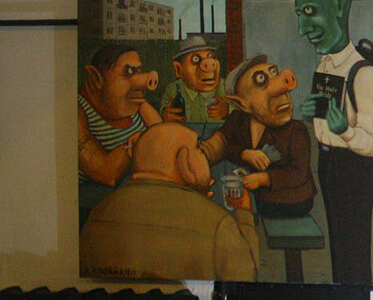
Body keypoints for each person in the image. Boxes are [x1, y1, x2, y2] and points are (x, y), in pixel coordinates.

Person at [80, 122, 259, 281]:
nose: (205, 157)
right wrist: (244, 216)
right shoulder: (219, 223)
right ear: (185, 163)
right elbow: (246, 278)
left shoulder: (100, 211)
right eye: (199, 149)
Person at [295, 0, 373, 284]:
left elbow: (370, 144)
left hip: (353, 168)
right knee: (338, 245)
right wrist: (313, 114)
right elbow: (326, 113)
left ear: (339, 4)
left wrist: (344, 129)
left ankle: (356, 298)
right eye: (299, 14)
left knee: (354, 249)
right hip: (329, 163)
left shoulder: (364, 73)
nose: (302, 28)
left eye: (310, 11)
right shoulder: (326, 64)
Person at [199, 53, 315, 218]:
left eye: (274, 73)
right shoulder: (238, 120)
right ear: (241, 104)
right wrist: (244, 154)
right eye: (261, 80)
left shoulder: (296, 131)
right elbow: (225, 146)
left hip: (292, 202)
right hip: (258, 199)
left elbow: (298, 174)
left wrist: (264, 179)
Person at [77, 44, 162, 228]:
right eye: (128, 72)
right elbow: (106, 173)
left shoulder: (134, 101)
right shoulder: (78, 110)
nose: (139, 79)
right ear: (96, 78)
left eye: (138, 71)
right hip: (94, 210)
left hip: (134, 195)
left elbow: (163, 135)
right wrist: (141, 140)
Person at [159, 34, 229, 125]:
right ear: (179, 69)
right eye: (196, 59)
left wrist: (228, 110)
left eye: (211, 57)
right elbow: (163, 111)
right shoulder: (173, 89)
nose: (209, 65)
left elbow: (240, 110)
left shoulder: (226, 87)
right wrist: (165, 115)